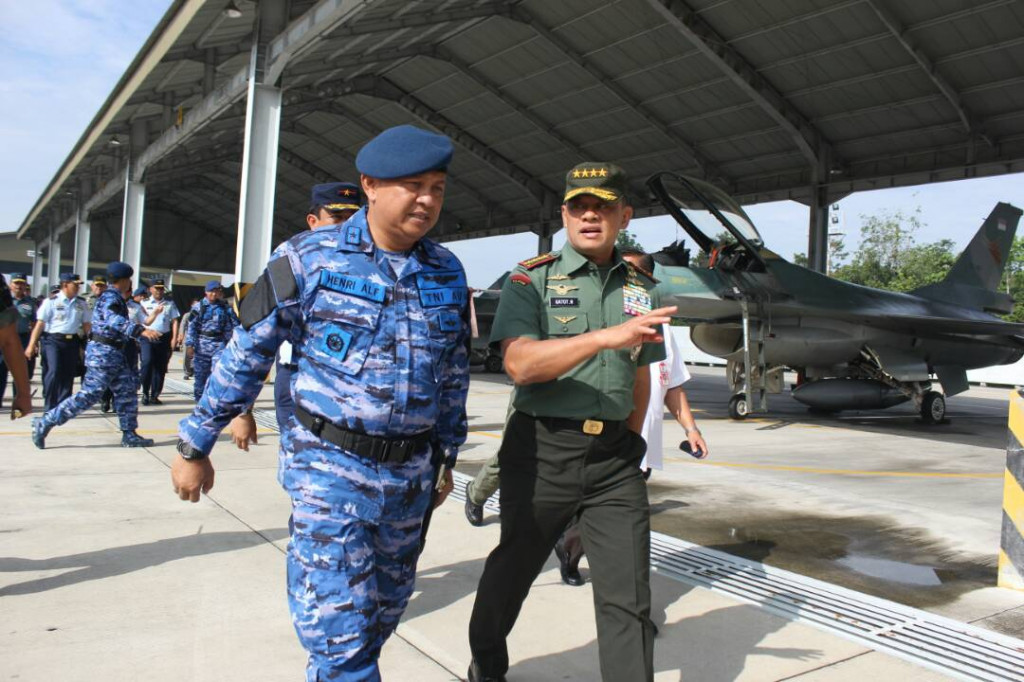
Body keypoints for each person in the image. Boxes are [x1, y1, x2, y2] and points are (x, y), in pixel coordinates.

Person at [171, 124, 469, 682]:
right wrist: (195, 441)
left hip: (409, 477)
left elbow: (451, 372)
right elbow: (246, 351)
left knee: (382, 617)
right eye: (412, 185)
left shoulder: (446, 270)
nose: (426, 200)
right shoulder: (307, 257)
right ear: (371, 185)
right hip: (330, 471)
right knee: (341, 643)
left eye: (437, 187)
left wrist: (446, 456)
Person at [466, 162, 676, 682]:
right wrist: (603, 338)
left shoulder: (641, 289)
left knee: (629, 596)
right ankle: (487, 663)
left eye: (603, 206)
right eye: (579, 206)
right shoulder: (529, 280)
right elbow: (520, 365)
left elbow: (642, 376)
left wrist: (630, 440)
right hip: (541, 452)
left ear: (623, 215)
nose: (590, 215)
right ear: (563, 214)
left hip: (614, 462)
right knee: (512, 570)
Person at [228, 181, 365, 450]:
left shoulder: (375, 269)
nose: (347, 227)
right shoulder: (293, 264)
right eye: (336, 217)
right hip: (297, 379)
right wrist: (242, 411)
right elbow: (254, 343)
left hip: (354, 390)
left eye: (354, 218)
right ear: (313, 221)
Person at [32, 262, 162, 449]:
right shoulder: (110, 297)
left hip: (116, 353)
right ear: (124, 280)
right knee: (90, 395)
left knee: (127, 391)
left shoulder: (114, 297)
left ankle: (129, 433)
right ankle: (45, 422)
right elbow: (112, 320)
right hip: (104, 354)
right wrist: (140, 330)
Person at [25, 273, 91, 411]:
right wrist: (31, 345)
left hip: (72, 341)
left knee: (68, 374)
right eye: (75, 284)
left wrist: (92, 342)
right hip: (52, 341)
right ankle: (49, 404)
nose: (78, 287)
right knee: (54, 371)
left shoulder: (81, 303)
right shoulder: (51, 302)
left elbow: (86, 325)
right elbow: (40, 324)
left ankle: (63, 406)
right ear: (65, 284)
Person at [185, 281, 239, 402]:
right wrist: (190, 345)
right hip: (202, 346)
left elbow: (235, 325)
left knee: (218, 374)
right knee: (201, 377)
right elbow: (192, 327)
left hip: (219, 345)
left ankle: (214, 401)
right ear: (206, 292)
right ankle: (199, 402)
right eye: (211, 291)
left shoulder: (225, 308)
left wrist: (234, 343)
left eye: (216, 291)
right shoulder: (198, 307)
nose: (214, 294)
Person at [139, 278, 179, 405]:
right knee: (147, 362)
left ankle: (155, 395)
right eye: (156, 288)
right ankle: (145, 392)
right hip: (147, 337)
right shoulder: (144, 303)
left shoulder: (169, 304)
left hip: (163, 338)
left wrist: (174, 338)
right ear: (150, 289)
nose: (159, 291)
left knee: (160, 368)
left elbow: (175, 321)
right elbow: (140, 321)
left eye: (161, 288)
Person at [0, 273, 37, 407]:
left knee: (20, 372)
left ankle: (18, 400)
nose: (19, 286)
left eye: (22, 283)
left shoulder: (30, 304)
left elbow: (34, 324)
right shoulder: (3, 300)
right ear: (10, 285)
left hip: (22, 338)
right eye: (16, 283)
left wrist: (34, 343)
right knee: (1, 371)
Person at [175, 297, 199, 380]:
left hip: (198, 338)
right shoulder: (187, 315)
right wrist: (180, 335)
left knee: (197, 356)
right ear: (191, 305)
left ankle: (195, 370)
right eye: (194, 304)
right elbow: (182, 325)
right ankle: (187, 372)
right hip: (187, 337)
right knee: (186, 355)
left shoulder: (201, 315)